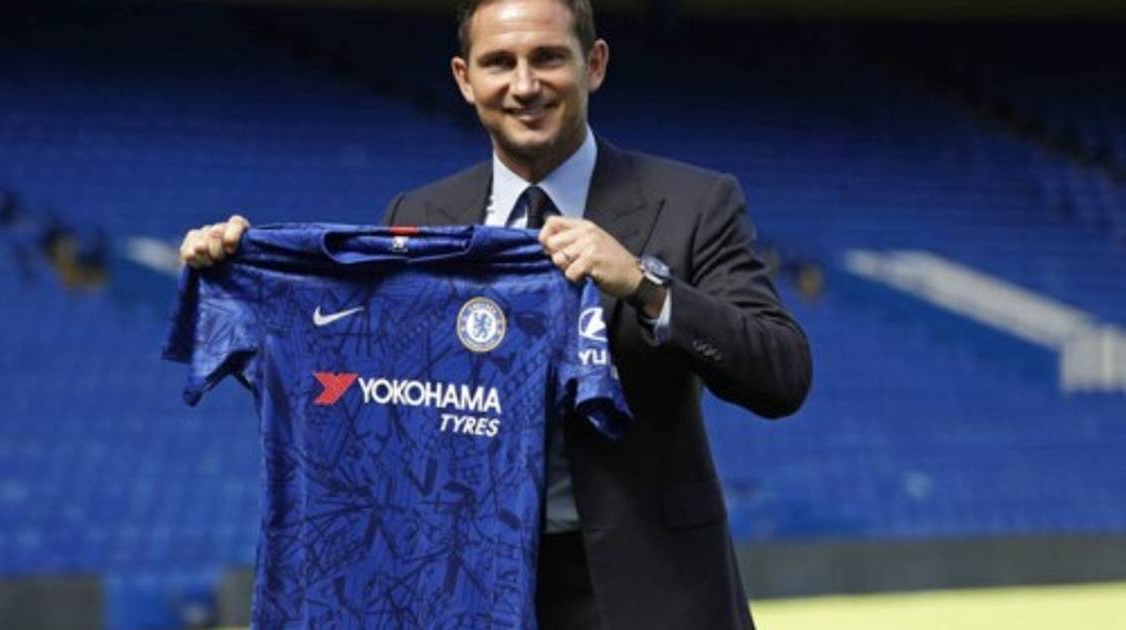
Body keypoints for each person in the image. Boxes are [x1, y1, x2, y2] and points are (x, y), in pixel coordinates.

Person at [180, 0, 812, 627]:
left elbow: (781, 373)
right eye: (499, 62)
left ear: (594, 64)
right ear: (465, 78)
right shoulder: (418, 216)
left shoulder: (694, 202)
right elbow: (359, 384)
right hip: (466, 586)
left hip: (652, 587)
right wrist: (241, 273)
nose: (525, 85)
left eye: (548, 58)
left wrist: (644, 285)